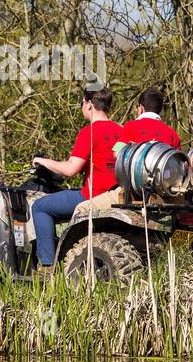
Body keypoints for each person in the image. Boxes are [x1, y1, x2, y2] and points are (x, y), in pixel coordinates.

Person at [30, 86, 123, 269]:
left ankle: (46, 266)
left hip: (92, 196)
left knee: (40, 207)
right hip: (115, 195)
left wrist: (42, 160)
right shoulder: (122, 130)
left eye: (81, 103)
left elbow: (70, 169)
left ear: (89, 105)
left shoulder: (89, 132)